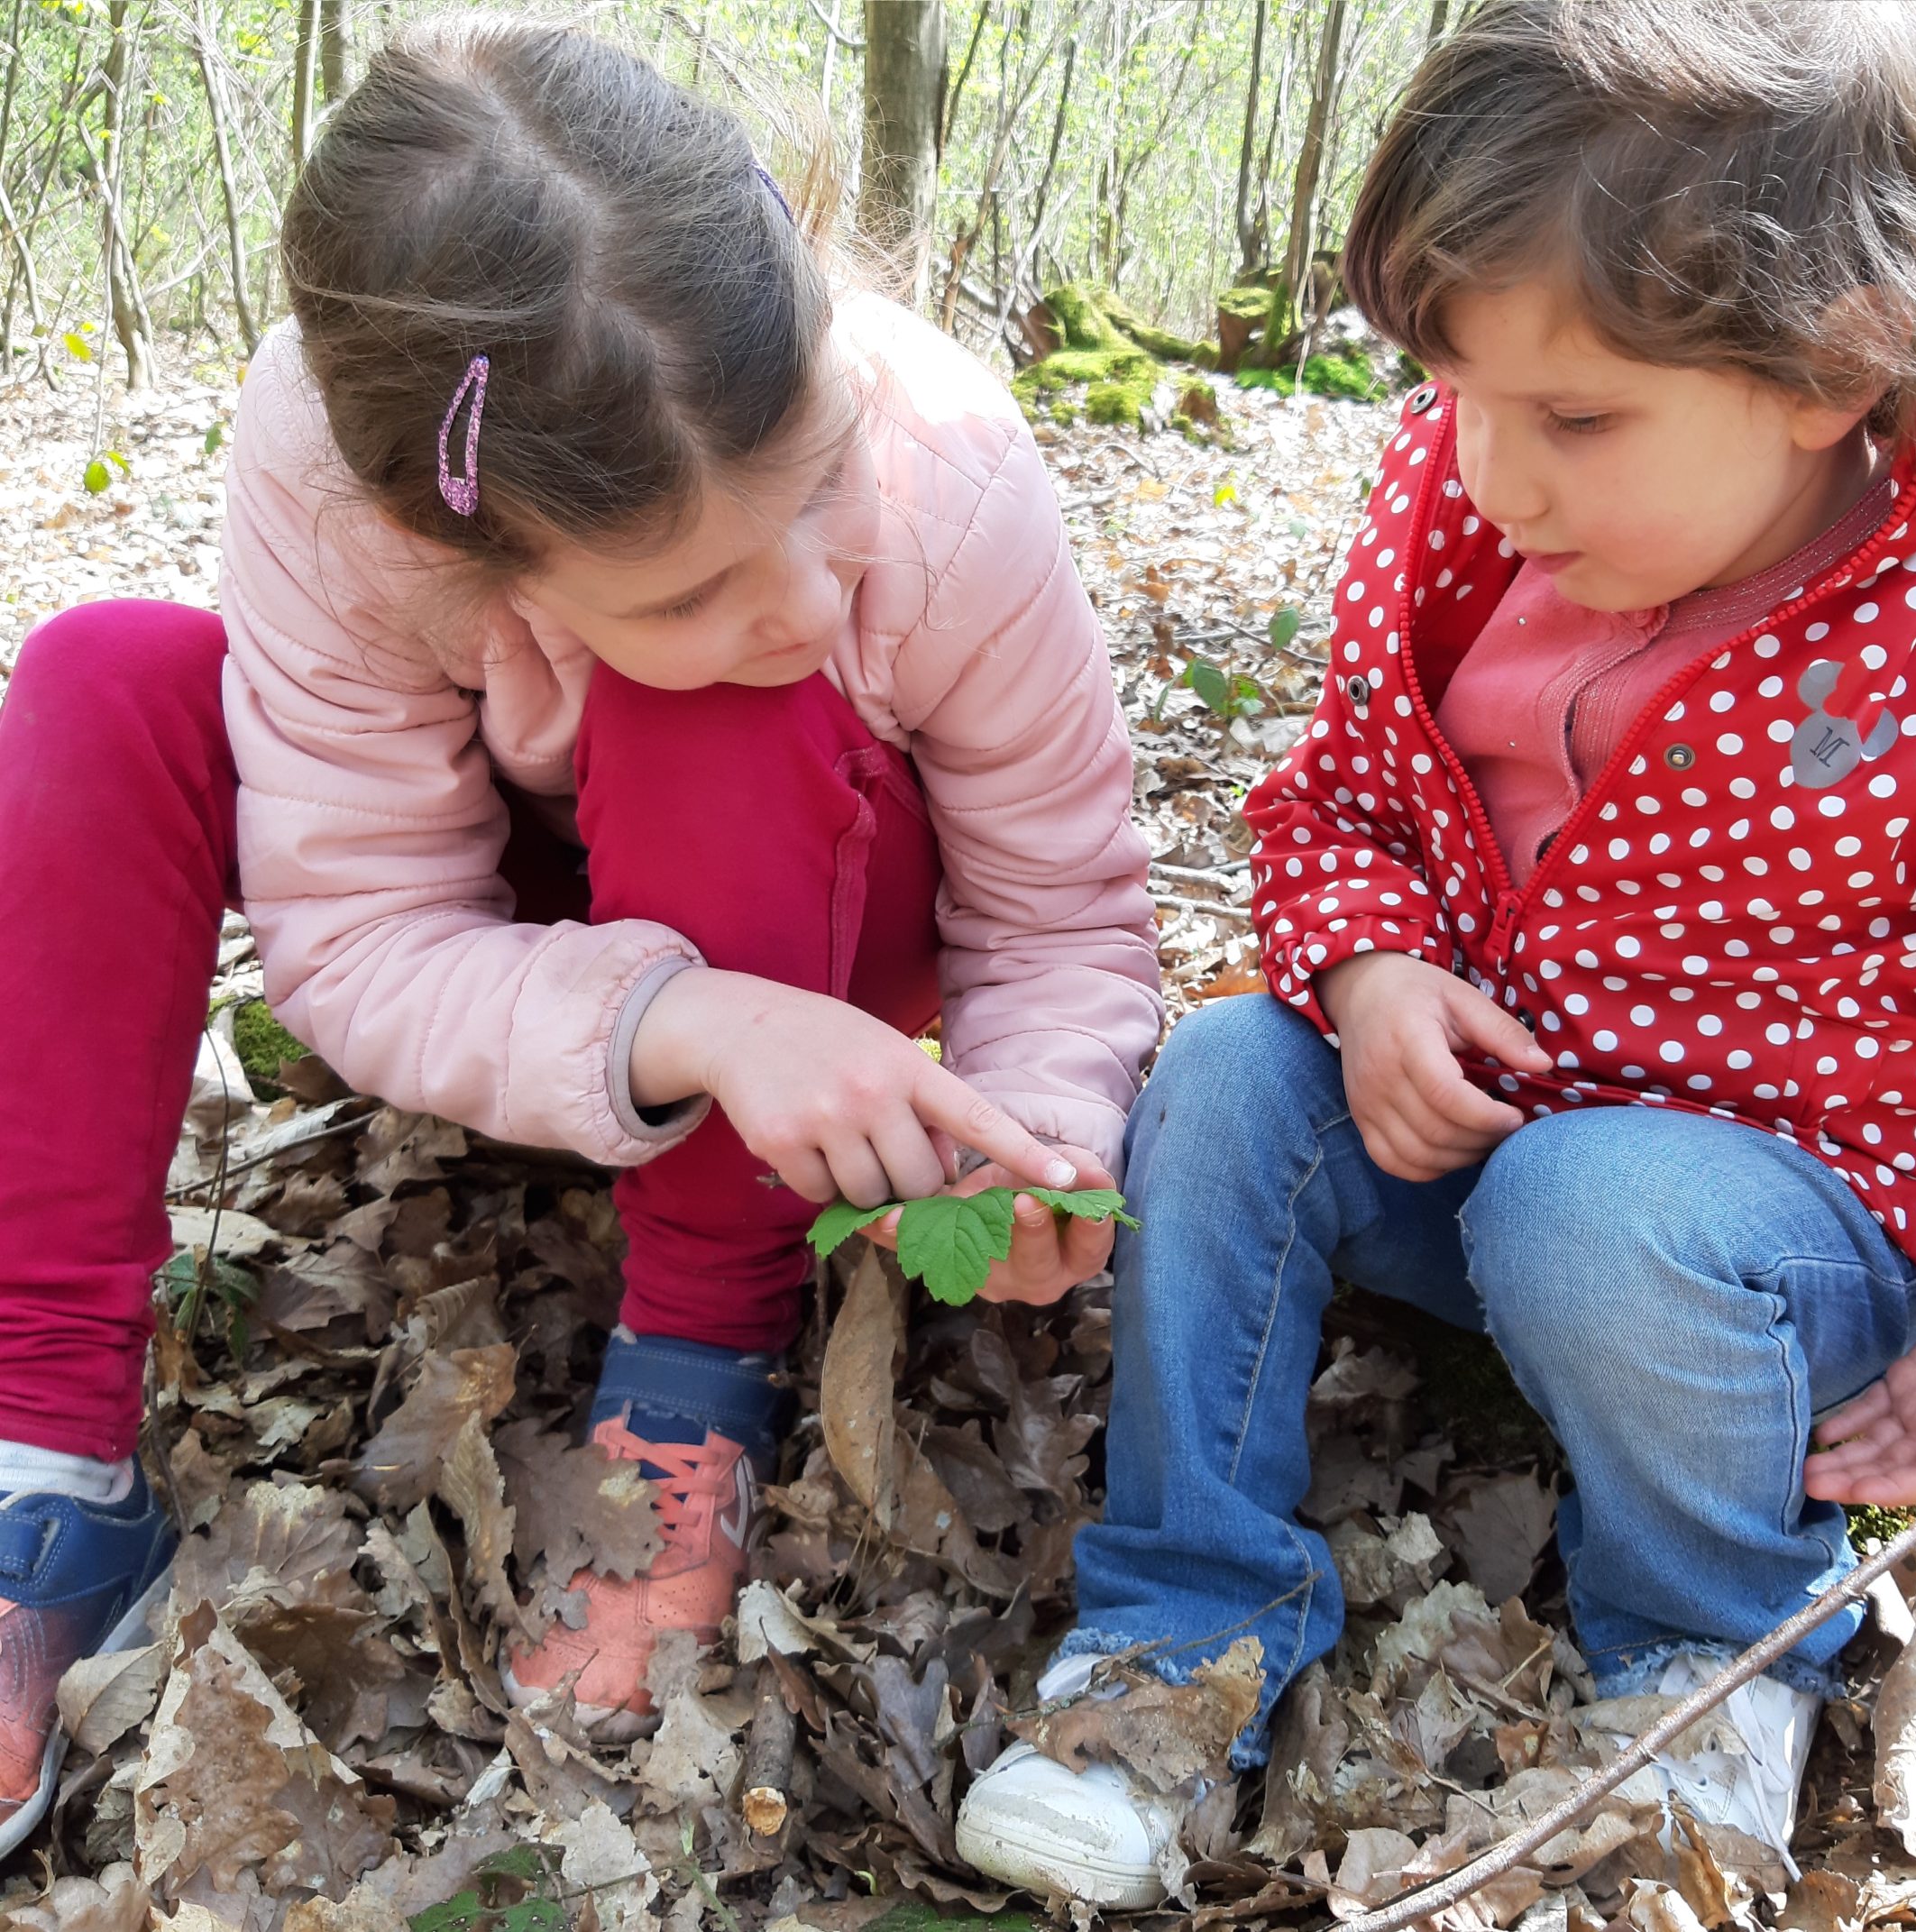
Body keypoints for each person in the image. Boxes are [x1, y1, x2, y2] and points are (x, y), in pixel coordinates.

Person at [956, 0, 1916, 1904]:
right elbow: (1333, 801)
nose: (1494, 469)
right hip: (1476, 1150)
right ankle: (1182, 1624)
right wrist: (1365, 976)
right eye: (1453, 387)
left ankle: (1701, 1661)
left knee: (1594, 1201)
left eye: (1572, 416)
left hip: (1784, 1246)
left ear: (1833, 362)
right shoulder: (1458, 516)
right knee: (1229, 1074)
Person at [0, 19, 1159, 1854]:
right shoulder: (349, 483)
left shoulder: (938, 465)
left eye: (816, 479)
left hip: (830, 895)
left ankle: (692, 1373)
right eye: (696, 577)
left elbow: (1062, 913)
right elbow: (361, 927)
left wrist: (1039, 1127)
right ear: (460, 550)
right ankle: (42, 1454)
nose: (803, 595)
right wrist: (685, 1017)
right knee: (98, 683)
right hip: (559, 946)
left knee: (718, 699)